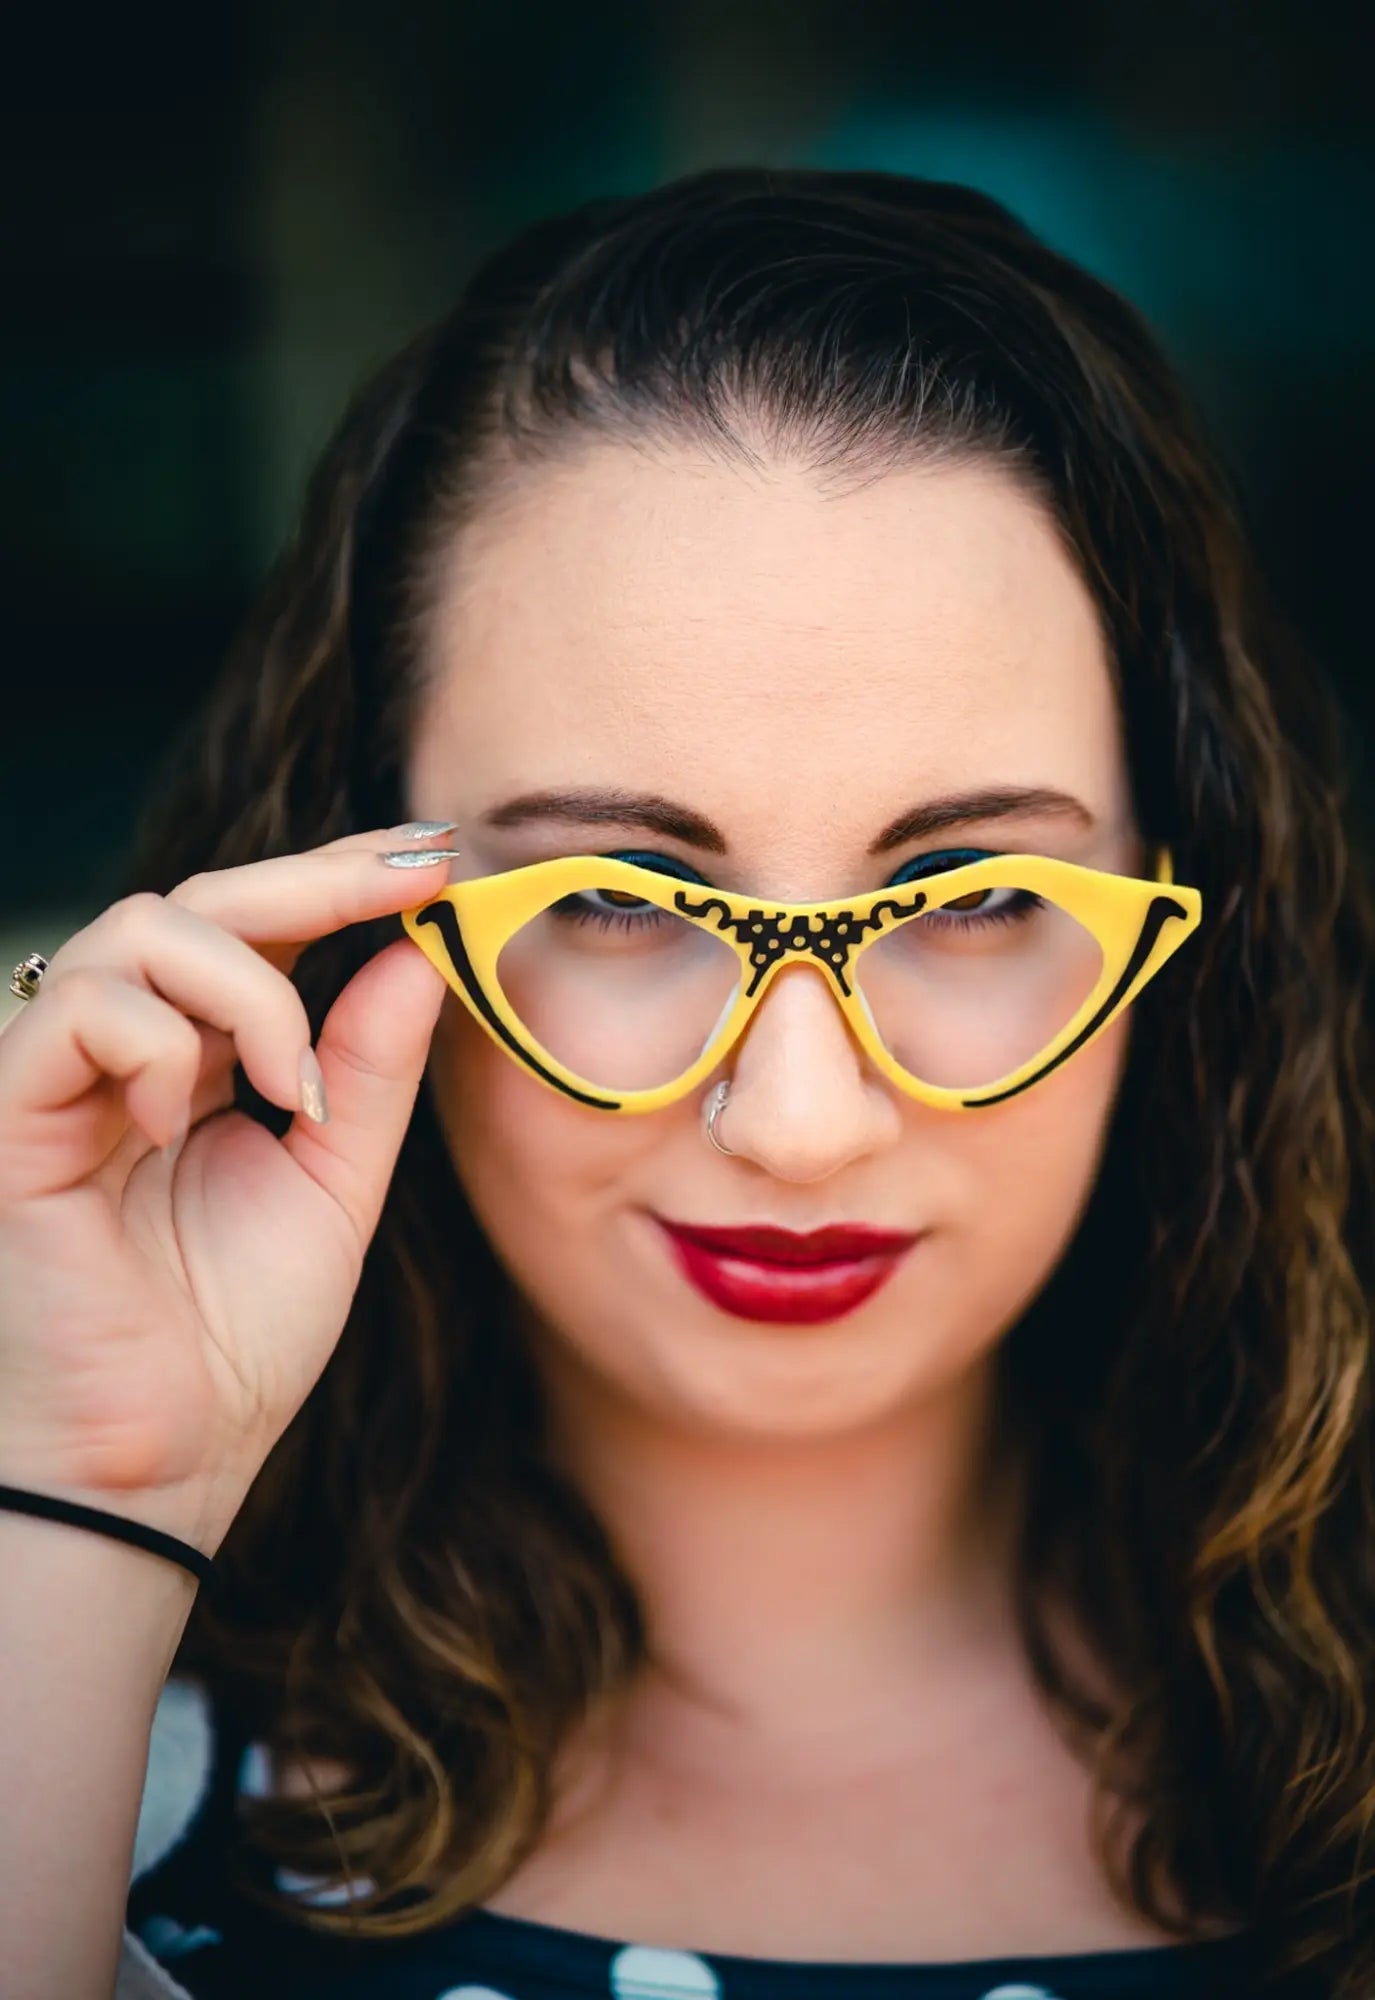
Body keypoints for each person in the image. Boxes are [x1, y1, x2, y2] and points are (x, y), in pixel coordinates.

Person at [0, 167, 1367, 2000]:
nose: (798, 1122)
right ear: (347, 906)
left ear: (1190, 923)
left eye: (969, 900)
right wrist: (83, 1494)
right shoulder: (90, 1736)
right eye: (617, 902)